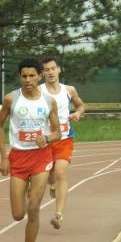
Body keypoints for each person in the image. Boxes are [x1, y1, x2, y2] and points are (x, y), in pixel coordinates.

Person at [0, 58, 61, 242]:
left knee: (34, 209)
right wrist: (4, 157)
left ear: (39, 76)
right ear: (20, 77)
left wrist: (48, 138)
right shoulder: (10, 99)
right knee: (18, 215)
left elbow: (58, 132)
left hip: (41, 159)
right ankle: (24, 193)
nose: (28, 80)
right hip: (18, 158)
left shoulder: (49, 101)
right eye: (24, 76)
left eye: (32, 75)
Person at [39, 57, 85, 229]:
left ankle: (58, 215)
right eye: (46, 69)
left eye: (53, 68)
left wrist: (78, 114)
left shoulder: (69, 90)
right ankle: (51, 184)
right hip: (46, 140)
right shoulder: (38, 91)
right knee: (50, 176)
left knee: (60, 173)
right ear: (42, 73)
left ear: (59, 69)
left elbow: (81, 105)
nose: (50, 72)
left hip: (65, 138)